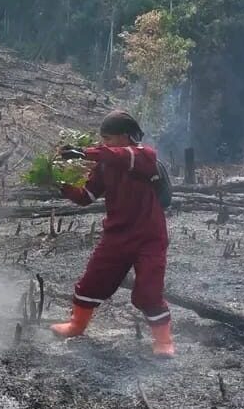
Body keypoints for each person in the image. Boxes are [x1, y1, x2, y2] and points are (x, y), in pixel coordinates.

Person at [50, 110, 175, 358]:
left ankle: (164, 341)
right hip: (117, 234)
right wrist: (63, 186)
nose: (104, 143)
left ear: (126, 137)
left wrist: (83, 152)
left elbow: (118, 155)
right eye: (102, 138)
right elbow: (87, 197)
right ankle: (77, 325)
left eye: (109, 137)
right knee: (93, 280)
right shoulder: (106, 164)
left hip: (149, 237)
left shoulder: (143, 156)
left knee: (149, 292)